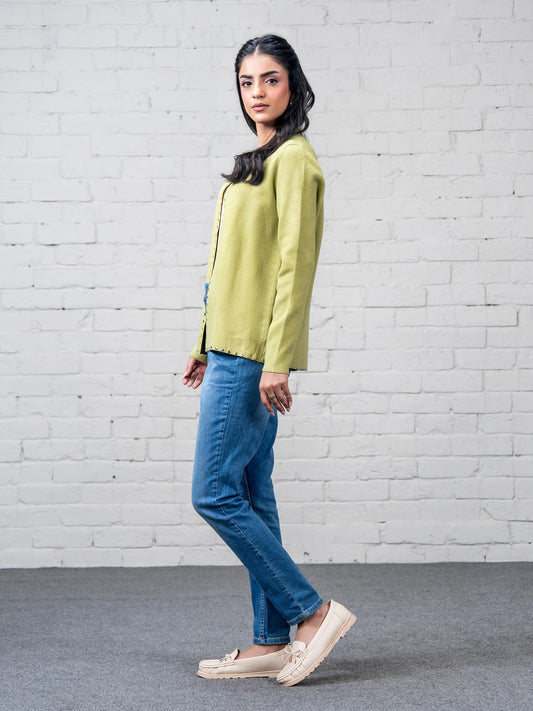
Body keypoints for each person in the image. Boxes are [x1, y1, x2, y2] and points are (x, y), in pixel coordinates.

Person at [182, 34, 356, 687]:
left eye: (270, 79)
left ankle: (312, 612)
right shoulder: (260, 159)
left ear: (293, 85)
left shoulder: (295, 161)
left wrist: (277, 360)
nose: (257, 91)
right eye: (246, 80)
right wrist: (202, 341)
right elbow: (229, 264)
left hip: (254, 353)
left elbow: (293, 269)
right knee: (253, 491)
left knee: (213, 492)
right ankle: (272, 640)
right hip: (229, 345)